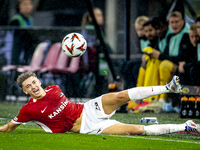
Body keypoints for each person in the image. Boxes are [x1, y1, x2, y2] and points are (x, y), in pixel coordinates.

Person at [1, 71, 199, 135]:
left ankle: (168, 88)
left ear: (38, 80)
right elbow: (9, 127)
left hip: (88, 108)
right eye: (29, 86)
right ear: (25, 90)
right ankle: (186, 126)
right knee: (135, 129)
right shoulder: (28, 109)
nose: (34, 86)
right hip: (89, 127)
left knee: (121, 96)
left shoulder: (54, 89)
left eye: (34, 81)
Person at [142, 11, 191, 111]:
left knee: (163, 64)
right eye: (172, 22)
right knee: (153, 63)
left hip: (182, 65)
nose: (174, 25)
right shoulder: (170, 36)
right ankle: (152, 98)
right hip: (175, 64)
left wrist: (160, 55)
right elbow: (167, 55)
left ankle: (162, 99)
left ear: (182, 22)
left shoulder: (187, 35)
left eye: (176, 22)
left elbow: (181, 58)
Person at [9, 0, 34, 65]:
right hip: (18, 49)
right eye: (25, 4)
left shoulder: (30, 19)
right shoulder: (16, 19)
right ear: (19, 6)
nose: (27, 7)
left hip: (27, 49)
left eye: (29, 4)